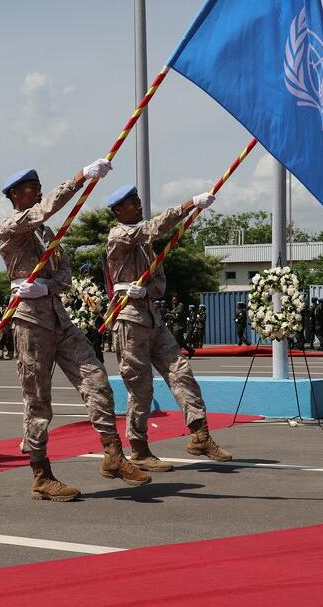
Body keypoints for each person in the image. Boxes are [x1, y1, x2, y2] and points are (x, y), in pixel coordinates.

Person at [0, 164, 149, 501]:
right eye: (31, 187)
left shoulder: (47, 234)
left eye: (39, 185)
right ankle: (41, 475)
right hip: (30, 323)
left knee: (96, 378)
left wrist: (45, 287)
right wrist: (81, 177)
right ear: (13, 195)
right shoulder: (11, 227)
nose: (38, 191)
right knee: (38, 401)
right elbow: (44, 210)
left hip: (58, 317)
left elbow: (65, 278)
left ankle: (113, 454)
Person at [105, 184, 231, 472]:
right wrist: (189, 205)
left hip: (151, 317)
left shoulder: (148, 249)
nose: (138, 206)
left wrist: (147, 292)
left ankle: (200, 434)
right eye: (131, 203)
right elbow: (152, 228)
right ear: (117, 211)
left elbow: (160, 284)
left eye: (138, 201)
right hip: (128, 319)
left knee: (181, 371)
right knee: (140, 388)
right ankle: (138, 449)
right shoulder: (119, 234)